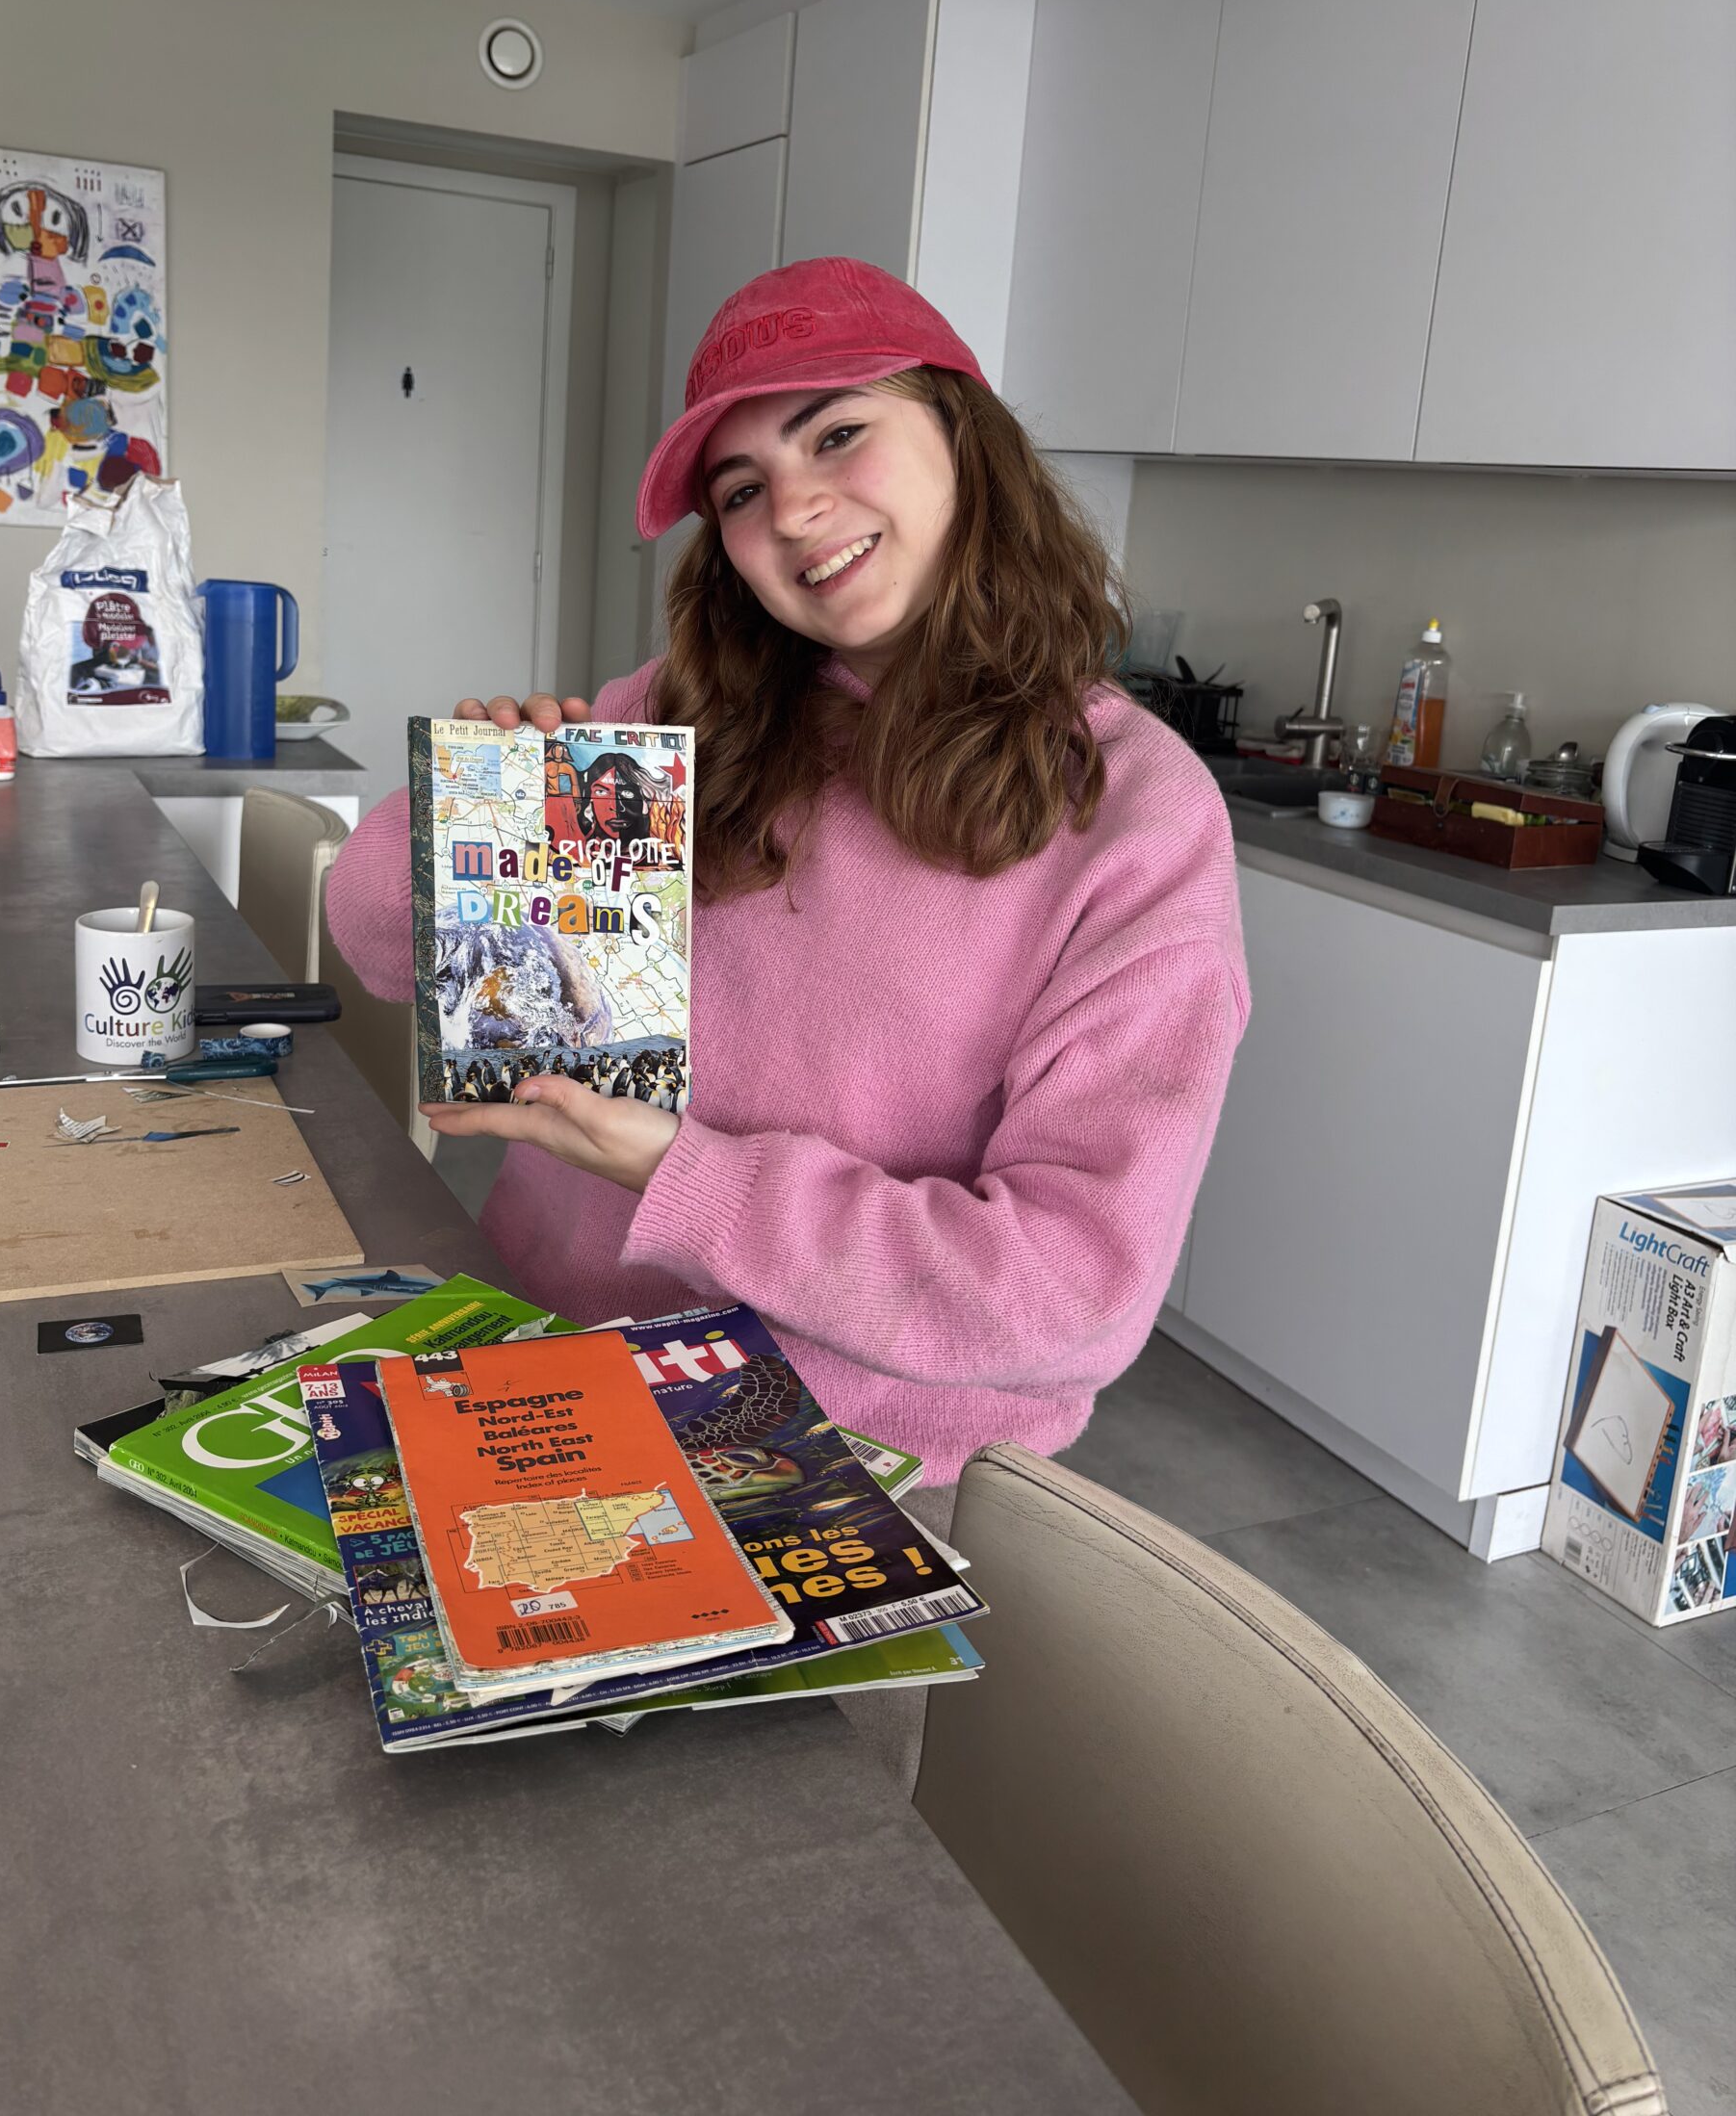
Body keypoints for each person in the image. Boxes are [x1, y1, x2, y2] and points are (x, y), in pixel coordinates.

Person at [326, 257, 1248, 1529]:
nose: (798, 510)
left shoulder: (1136, 813)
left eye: (838, 434)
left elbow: (1069, 1292)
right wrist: (474, 826)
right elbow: (376, 944)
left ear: (964, 437)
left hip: (855, 1467)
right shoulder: (674, 715)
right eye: (743, 490)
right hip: (544, 1363)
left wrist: (684, 1176)